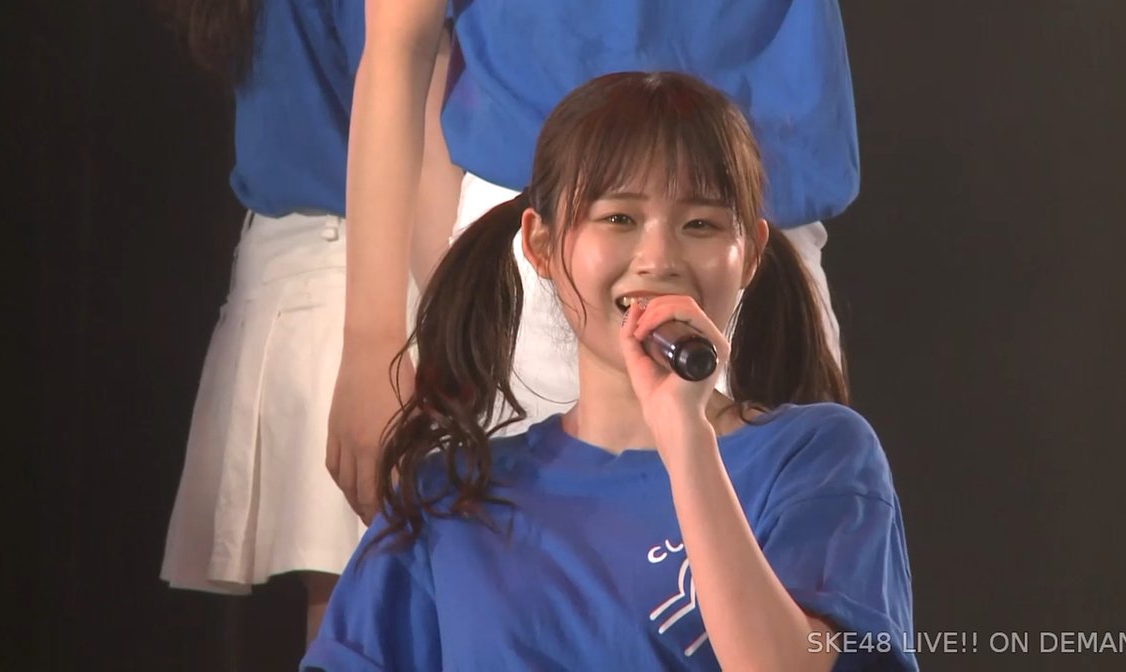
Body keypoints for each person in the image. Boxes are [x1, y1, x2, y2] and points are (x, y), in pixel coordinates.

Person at [304, 72, 914, 671]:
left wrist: (686, 437)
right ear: (541, 245)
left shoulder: (817, 457)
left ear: (750, 253)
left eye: (700, 224)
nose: (659, 259)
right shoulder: (449, 496)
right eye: (619, 218)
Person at [330, 0, 859, 524]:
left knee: (780, 549)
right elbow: (401, 43)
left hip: (747, 237)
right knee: (520, 558)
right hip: (552, 246)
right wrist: (372, 343)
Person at [156, 0, 462, 642]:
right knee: (387, 609)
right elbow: (417, 99)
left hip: (294, 269)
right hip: (377, 272)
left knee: (357, 611)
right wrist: (462, 324)